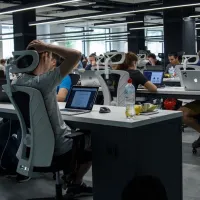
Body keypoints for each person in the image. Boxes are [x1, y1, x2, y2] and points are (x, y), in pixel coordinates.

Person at [12, 40, 92, 197]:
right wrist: (47, 46)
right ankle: (75, 182)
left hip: (31, 148)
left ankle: (70, 177)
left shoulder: (16, 82)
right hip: (58, 148)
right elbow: (76, 55)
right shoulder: (44, 81)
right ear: (43, 57)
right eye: (49, 57)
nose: (52, 62)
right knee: (93, 138)